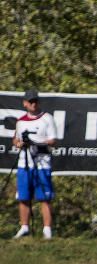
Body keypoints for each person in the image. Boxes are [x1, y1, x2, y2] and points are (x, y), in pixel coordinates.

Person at [11, 89, 57, 239]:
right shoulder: (21, 121)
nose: (33, 104)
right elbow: (15, 139)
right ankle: (24, 227)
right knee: (23, 196)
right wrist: (19, 143)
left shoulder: (47, 118)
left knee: (44, 197)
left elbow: (53, 141)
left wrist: (36, 143)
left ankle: (47, 230)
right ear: (25, 103)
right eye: (30, 101)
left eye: (35, 101)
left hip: (42, 163)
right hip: (24, 163)